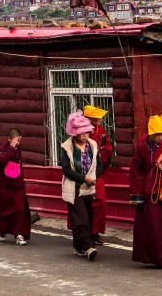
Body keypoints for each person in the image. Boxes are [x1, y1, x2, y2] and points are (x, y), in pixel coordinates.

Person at [129, 115, 162, 268]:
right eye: (156, 134)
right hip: (148, 196)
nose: (159, 137)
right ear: (150, 133)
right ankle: (152, 258)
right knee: (150, 227)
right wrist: (137, 195)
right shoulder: (142, 149)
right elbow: (135, 173)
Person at [60, 111, 104, 261]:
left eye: (87, 132)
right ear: (75, 133)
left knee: (88, 217)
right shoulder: (67, 148)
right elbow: (66, 170)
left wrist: (94, 177)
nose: (85, 136)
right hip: (74, 188)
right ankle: (88, 247)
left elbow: (100, 166)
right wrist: (83, 178)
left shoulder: (93, 145)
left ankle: (78, 246)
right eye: (82, 133)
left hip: (89, 187)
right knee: (80, 218)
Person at [0, 128, 31, 245]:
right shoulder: (2, 148)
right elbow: (2, 160)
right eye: (16, 140)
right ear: (9, 139)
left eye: (20, 140)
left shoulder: (18, 148)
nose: (18, 143)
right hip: (5, 185)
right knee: (4, 209)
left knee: (20, 209)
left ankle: (19, 234)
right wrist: (11, 148)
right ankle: (2, 231)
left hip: (17, 183)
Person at [83, 105, 113, 245]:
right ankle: (84, 232)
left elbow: (108, 147)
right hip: (82, 172)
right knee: (84, 204)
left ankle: (95, 232)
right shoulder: (81, 131)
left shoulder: (101, 131)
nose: (100, 120)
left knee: (100, 203)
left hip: (98, 173)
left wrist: (101, 156)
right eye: (97, 118)